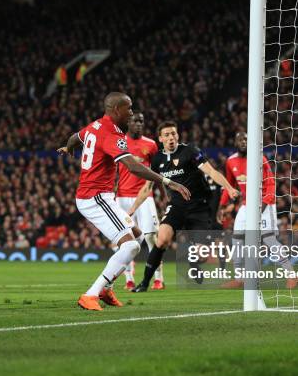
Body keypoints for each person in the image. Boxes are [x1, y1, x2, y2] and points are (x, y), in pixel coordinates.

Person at [58, 92, 190, 311]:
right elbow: (133, 166)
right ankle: (91, 294)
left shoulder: (95, 125)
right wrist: (169, 182)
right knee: (129, 245)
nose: (131, 112)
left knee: (137, 238)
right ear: (116, 109)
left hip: (100, 196)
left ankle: (106, 288)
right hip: (95, 197)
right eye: (128, 108)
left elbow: (76, 137)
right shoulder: (111, 133)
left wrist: (68, 146)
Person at [130, 121, 240, 292]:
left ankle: (193, 262)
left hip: (199, 207)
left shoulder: (190, 151)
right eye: (166, 135)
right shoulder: (157, 159)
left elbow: (211, 171)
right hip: (177, 206)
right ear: (160, 139)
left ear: (178, 135)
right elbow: (147, 188)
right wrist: (131, 210)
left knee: (201, 253)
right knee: (162, 239)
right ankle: (144, 283)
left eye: (173, 133)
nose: (171, 137)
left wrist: (229, 187)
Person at [217, 132, 298, 289]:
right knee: (237, 239)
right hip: (246, 205)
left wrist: (264, 204)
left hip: (264, 204)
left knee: (269, 240)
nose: (243, 142)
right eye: (240, 139)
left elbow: (270, 184)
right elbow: (229, 186)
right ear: (235, 142)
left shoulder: (260, 159)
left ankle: (292, 275)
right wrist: (222, 206)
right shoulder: (230, 161)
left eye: (246, 139)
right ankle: (240, 279)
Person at [115, 113, 165, 290]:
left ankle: (158, 278)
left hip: (144, 197)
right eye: (135, 121)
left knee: (152, 237)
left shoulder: (151, 145)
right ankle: (128, 279)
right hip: (121, 197)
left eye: (141, 122)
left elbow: (157, 172)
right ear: (128, 123)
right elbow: (113, 169)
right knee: (122, 239)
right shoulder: (120, 141)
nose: (138, 124)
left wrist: (164, 195)